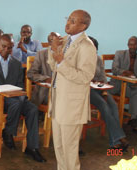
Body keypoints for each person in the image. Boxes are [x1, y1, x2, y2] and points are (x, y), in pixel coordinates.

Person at [0, 34, 46, 163]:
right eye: (3, 46)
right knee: (17, 103)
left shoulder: (16, 64)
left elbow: (20, 85)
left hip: (14, 99)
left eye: (10, 48)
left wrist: (21, 96)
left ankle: (31, 147)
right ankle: (8, 133)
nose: (6, 50)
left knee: (33, 109)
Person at [47, 9, 97, 170]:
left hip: (71, 105)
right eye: (68, 19)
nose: (68, 23)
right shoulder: (66, 40)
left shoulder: (86, 46)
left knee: (70, 149)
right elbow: (54, 66)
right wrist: (53, 49)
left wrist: (62, 62)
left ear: (83, 26)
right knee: (59, 146)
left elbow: (85, 77)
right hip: (57, 100)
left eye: (73, 21)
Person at [88, 36, 129, 150]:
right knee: (104, 106)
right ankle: (120, 138)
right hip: (86, 90)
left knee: (113, 106)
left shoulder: (98, 59)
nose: (93, 53)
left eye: (95, 50)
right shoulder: (80, 59)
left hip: (99, 88)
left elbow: (103, 77)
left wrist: (103, 85)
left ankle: (114, 141)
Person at [109, 36, 137, 137]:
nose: (132, 46)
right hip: (117, 84)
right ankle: (133, 123)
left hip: (130, 86)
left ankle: (133, 120)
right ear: (128, 45)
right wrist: (124, 72)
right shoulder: (119, 53)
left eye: (134, 44)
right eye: (130, 44)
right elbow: (114, 69)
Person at [27, 32, 60, 106]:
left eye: (60, 40)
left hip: (61, 89)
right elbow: (31, 74)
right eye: (56, 40)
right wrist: (46, 79)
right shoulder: (41, 54)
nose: (59, 42)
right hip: (46, 91)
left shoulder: (64, 54)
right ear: (50, 42)